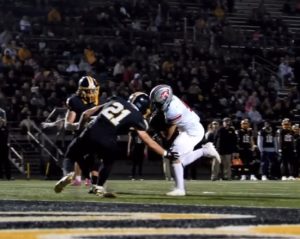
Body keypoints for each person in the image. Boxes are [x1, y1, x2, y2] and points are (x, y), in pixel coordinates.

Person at [54, 92, 179, 196]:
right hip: (110, 140)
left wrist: (81, 130)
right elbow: (148, 140)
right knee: (107, 161)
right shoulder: (137, 117)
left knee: (71, 155)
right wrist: (166, 153)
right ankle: (99, 186)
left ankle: (69, 173)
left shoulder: (115, 99)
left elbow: (86, 114)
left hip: (91, 132)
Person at [149, 84, 221, 196]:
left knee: (175, 156)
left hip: (192, 133)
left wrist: (159, 133)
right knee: (179, 161)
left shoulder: (172, 110)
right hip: (189, 129)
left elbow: (169, 135)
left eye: (157, 102)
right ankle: (205, 151)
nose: (155, 105)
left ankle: (180, 189)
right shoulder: (171, 100)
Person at [0, 108, 11, 180]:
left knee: (6, 162)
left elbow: (7, 136)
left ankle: (8, 176)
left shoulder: (5, 128)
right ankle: (0, 176)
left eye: (1, 121)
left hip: (4, 146)